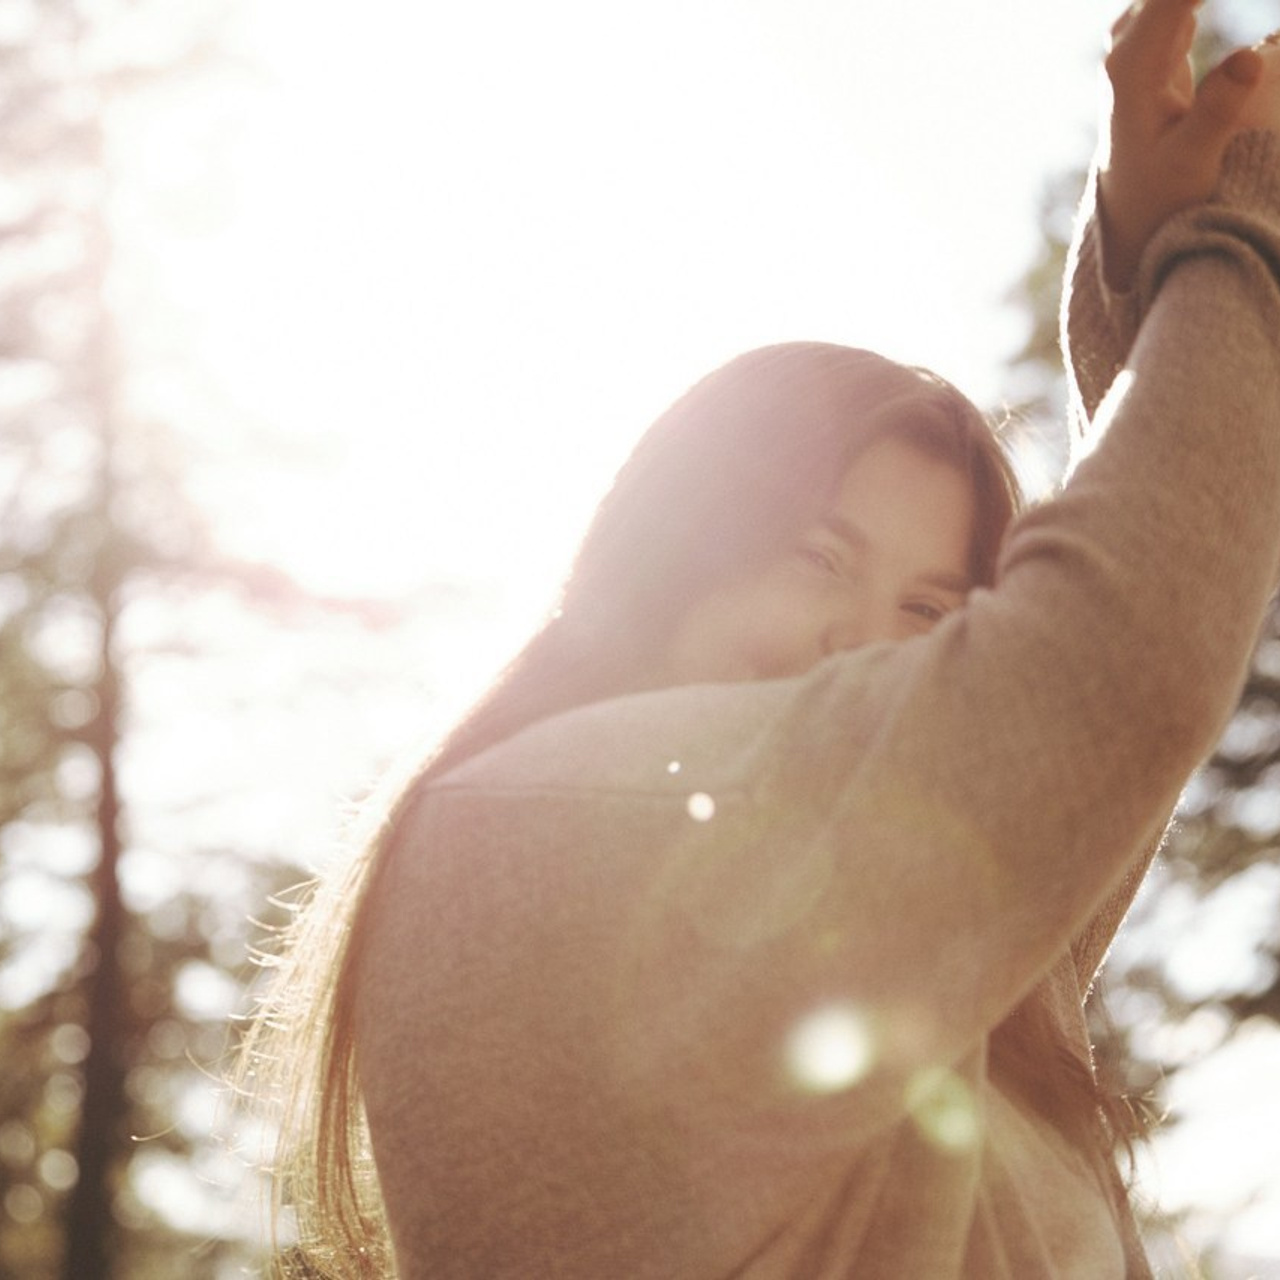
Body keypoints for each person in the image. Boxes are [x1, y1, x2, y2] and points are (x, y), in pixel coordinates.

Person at [238, 3, 1280, 1276]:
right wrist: (1242, 219)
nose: (863, 645)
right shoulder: (545, 828)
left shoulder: (866, 934)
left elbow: (1106, 707)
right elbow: (1119, 664)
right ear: (667, 553)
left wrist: (1148, 268)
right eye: (817, 557)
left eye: (926, 612)